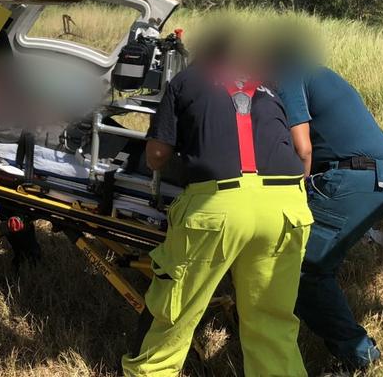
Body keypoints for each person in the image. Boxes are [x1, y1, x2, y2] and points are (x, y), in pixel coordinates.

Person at [122, 30, 313, 376]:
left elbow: (157, 155)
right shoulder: (266, 84)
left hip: (219, 207)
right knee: (271, 321)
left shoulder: (185, 80)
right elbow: (298, 149)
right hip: (287, 206)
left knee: (175, 312)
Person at [278, 65, 383, 370]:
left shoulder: (287, 73)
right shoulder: (315, 72)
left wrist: (292, 196)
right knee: (318, 259)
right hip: (377, 175)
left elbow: (302, 149)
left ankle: (359, 356)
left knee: (301, 269)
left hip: (355, 178)